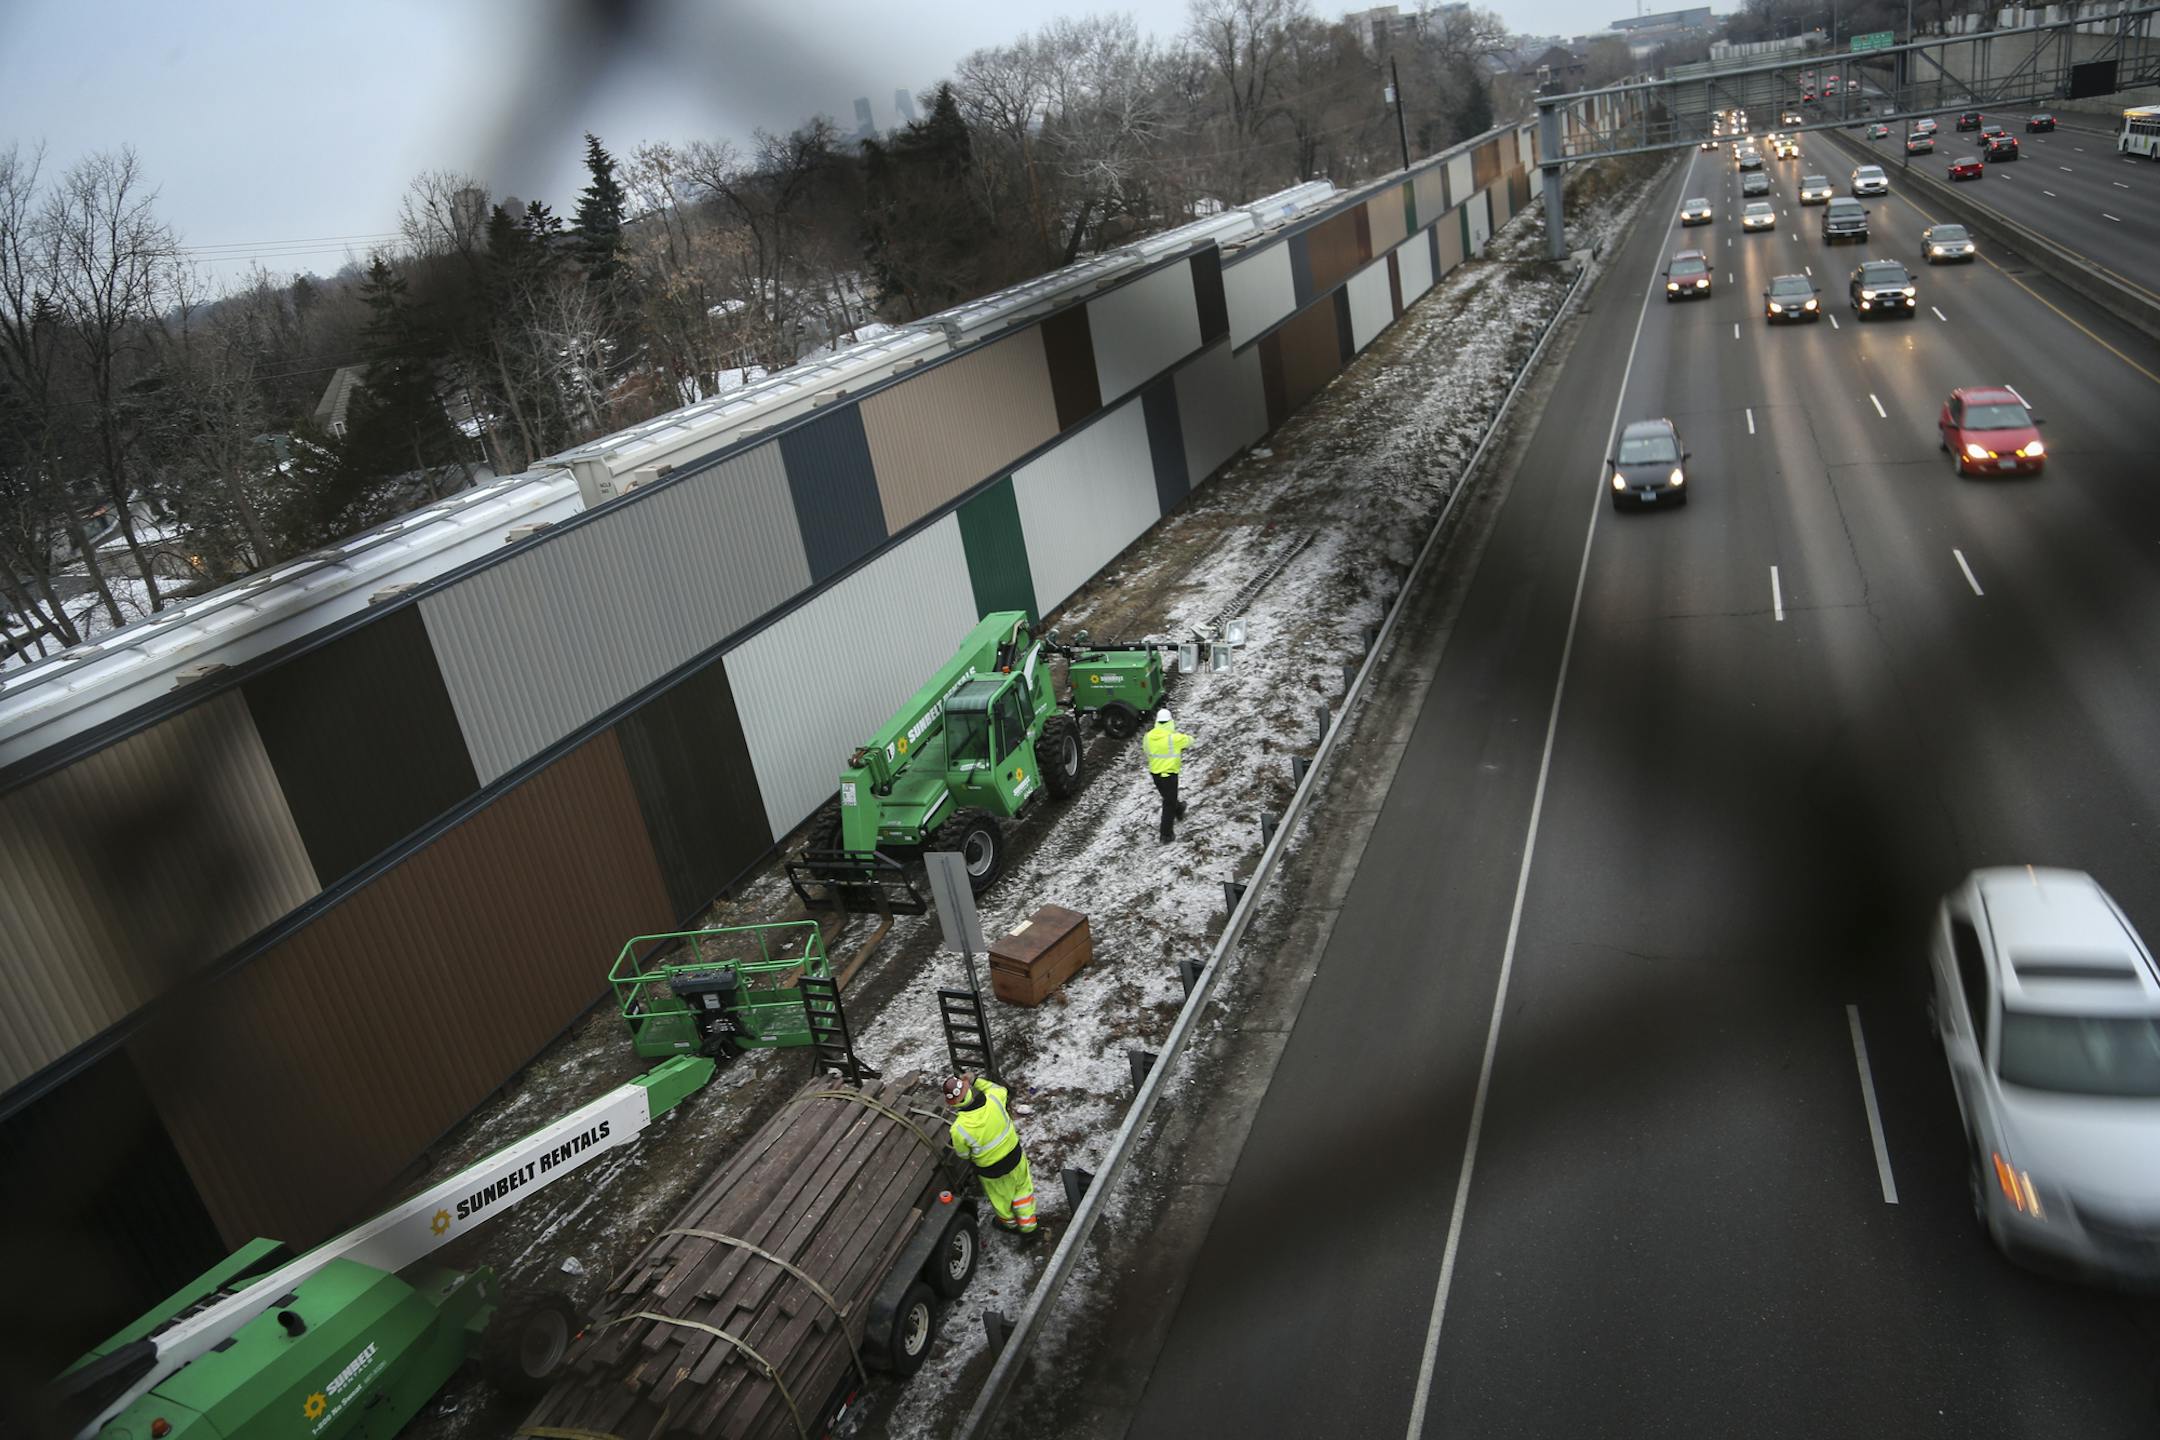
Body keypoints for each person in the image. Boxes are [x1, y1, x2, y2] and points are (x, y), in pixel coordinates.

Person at [943, 1071, 1039, 1238]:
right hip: (1015, 1157)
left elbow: (964, 1155)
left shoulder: (958, 1129)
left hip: (991, 1172)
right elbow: (998, 1088)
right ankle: (1029, 1228)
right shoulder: (994, 1099)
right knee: (1023, 1189)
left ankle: (1009, 1225)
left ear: (954, 1104)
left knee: (1000, 1199)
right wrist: (976, 1080)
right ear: (970, 1090)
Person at [1143, 707, 1193, 842]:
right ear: (1170, 722)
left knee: (1168, 797)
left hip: (1155, 775)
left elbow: (1147, 751)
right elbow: (1190, 741)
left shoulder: (1148, 737)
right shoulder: (1174, 738)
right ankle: (1166, 835)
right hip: (1169, 775)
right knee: (1168, 803)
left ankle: (1179, 809)